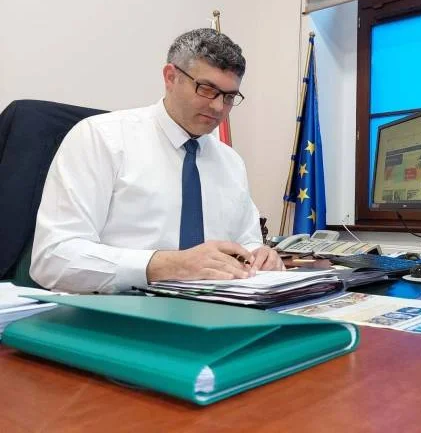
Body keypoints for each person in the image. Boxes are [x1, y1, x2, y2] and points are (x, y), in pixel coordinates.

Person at [30, 28, 284, 294]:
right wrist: (164, 265)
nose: (219, 107)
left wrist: (260, 256)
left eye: (229, 97)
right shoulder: (101, 138)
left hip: (215, 308)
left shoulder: (230, 162)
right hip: (118, 309)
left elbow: (247, 243)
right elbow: (52, 258)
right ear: (171, 77)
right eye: (207, 89)